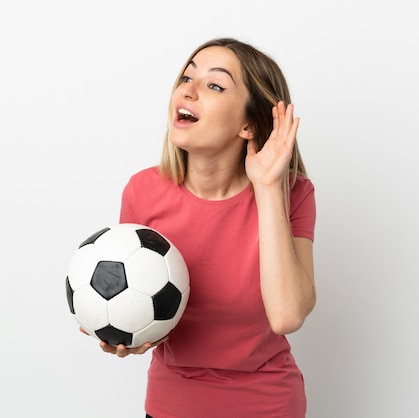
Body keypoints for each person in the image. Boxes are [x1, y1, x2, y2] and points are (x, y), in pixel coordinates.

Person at [87, 37, 316, 417]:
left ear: (247, 123)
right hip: (171, 404)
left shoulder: (294, 193)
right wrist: (121, 328)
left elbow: (287, 315)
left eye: (214, 85)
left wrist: (268, 186)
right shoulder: (143, 192)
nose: (189, 90)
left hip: (268, 405)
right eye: (187, 77)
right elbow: (135, 297)